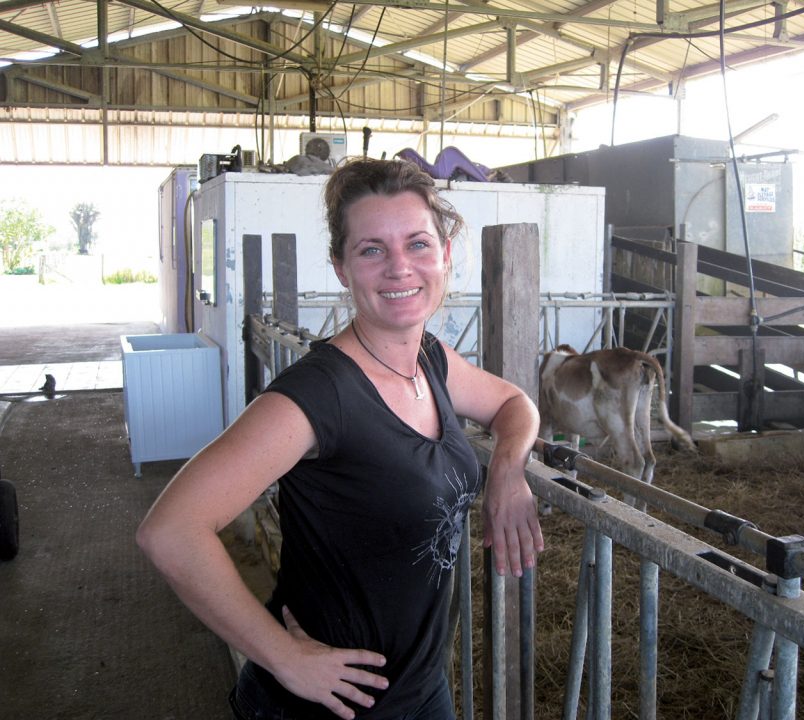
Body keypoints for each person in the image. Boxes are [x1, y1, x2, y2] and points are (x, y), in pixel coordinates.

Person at [136, 157, 545, 720]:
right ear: (341, 268)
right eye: (372, 249)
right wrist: (283, 656)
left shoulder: (430, 359)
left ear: (445, 255)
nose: (400, 268)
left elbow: (513, 403)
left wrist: (507, 468)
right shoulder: (318, 396)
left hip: (422, 691)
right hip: (328, 705)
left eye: (418, 244)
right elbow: (170, 531)